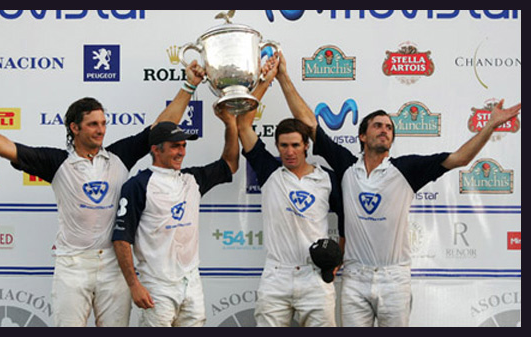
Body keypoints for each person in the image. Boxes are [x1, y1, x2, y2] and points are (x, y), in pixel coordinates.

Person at [0, 61, 206, 327]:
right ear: (74, 128)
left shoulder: (119, 157)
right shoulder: (57, 162)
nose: (101, 129)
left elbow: (162, 126)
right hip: (73, 266)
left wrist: (189, 85)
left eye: (103, 123)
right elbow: (7, 148)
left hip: (114, 268)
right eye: (92, 124)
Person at [272, 50, 521, 327]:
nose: (384, 129)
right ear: (363, 136)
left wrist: (491, 126)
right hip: (355, 276)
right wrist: (283, 76)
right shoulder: (345, 165)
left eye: (389, 127)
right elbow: (309, 123)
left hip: (394, 278)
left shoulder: (406, 169)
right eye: (377, 125)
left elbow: (460, 159)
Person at [235, 56, 344, 327]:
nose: (290, 151)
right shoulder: (269, 171)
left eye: (295, 145)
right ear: (277, 146)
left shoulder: (327, 179)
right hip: (276, 275)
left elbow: (348, 220)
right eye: (283, 145)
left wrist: (339, 255)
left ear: (306, 145)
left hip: (315, 275)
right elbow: (243, 125)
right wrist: (265, 81)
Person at [111, 107, 239, 327]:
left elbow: (230, 164)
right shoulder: (138, 185)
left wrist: (230, 124)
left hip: (192, 283)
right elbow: (121, 239)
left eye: (183, 146)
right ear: (156, 150)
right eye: (174, 146)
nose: (181, 152)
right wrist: (134, 285)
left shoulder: (192, 180)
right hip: (157, 286)